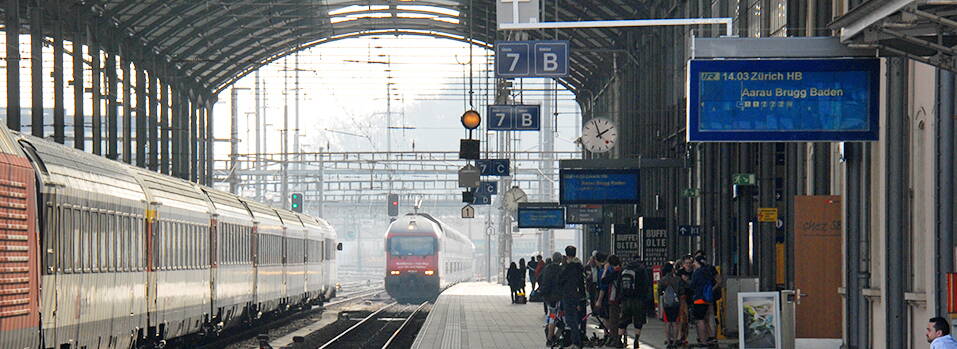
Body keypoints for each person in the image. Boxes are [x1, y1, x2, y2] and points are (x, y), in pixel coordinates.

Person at [559, 245, 586, 349]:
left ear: (566, 255)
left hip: (569, 296)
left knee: (571, 320)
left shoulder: (568, 268)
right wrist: (581, 299)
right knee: (578, 320)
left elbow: (560, 281)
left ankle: (576, 342)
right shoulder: (579, 267)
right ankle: (578, 341)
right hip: (578, 297)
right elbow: (581, 284)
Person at [658, 263, 687, 348]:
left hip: (666, 304)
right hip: (676, 304)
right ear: (671, 270)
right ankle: (674, 342)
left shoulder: (662, 280)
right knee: (675, 323)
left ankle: (668, 341)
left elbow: (660, 292)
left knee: (667, 323)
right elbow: (682, 292)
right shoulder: (678, 279)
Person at [597, 255, 624, 347]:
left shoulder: (614, 273)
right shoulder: (623, 271)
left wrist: (605, 269)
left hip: (614, 299)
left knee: (613, 321)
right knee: (622, 320)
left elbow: (603, 281)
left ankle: (615, 340)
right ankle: (622, 339)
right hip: (623, 298)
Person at [690, 256, 717, 346]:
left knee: (700, 320)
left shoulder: (697, 273)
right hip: (707, 298)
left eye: (694, 262)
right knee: (706, 319)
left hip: (699, 298)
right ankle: (709, 338)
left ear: (698, 263)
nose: (693, 264)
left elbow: (692, 285)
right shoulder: (708, 271)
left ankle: (703, 341)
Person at [539, 252, 564, 346]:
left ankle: (550, 334)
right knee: (555, 317)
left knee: (551, 315)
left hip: (548, 298)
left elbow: (541, 279)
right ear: (560, 260)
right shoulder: (561, 269)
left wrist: (542, 292)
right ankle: (551, 338)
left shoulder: (547, 268)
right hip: (558, 297)